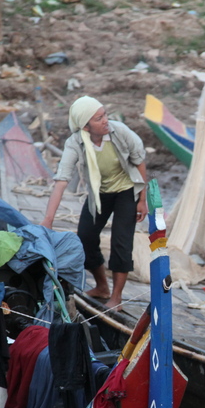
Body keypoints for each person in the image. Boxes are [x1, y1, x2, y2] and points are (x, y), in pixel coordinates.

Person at [42, 96, 149, 310]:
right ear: (86, 126)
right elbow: (62, 181)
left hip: (126, 191)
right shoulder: (75, 143)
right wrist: (48, 220)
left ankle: (116, 297)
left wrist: (142, 200)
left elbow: (139, 163)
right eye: (99, 118)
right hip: (98, 193)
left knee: (121, 242)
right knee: (85, 237)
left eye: (105, 115)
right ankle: (102, 286)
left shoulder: (120, 132)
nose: (105, 121)